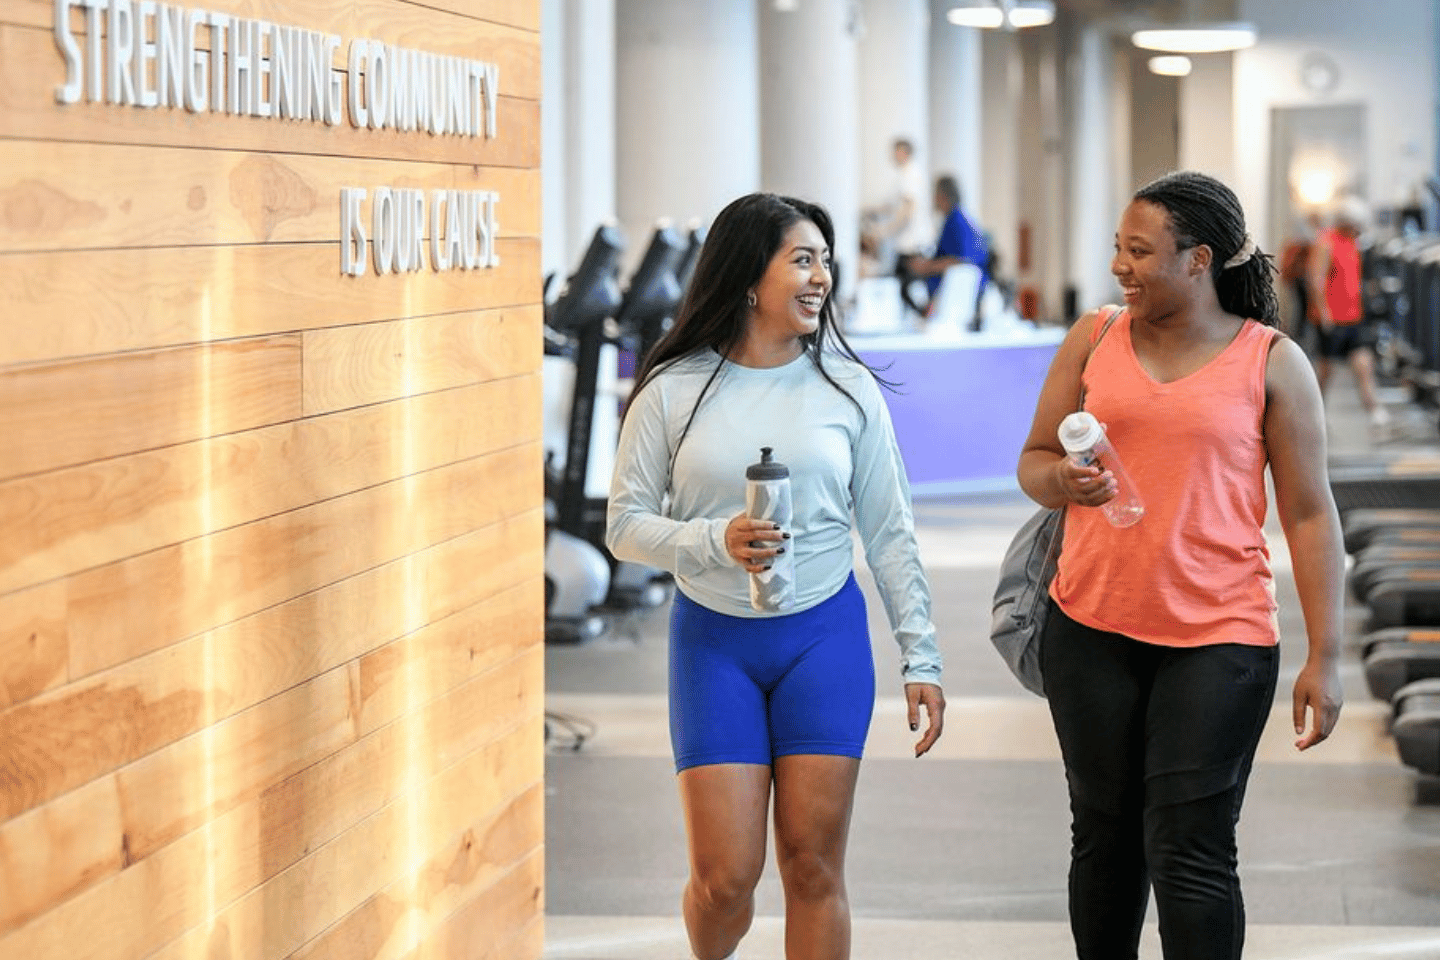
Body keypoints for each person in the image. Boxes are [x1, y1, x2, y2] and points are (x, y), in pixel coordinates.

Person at [606, 192, 945, 960]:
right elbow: (623, 527)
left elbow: (890, 533)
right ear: (748, 275)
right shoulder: (672, 390)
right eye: (802, 258)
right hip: (713, 643)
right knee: (726, 882)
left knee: (814, 866)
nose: (821, 275)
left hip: (821, 638)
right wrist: (712, 540)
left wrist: (920, 655)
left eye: (825, 259)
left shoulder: (849, 389)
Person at [1016, 171, 1345, 960]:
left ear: (1198, 260)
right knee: (1104, 837)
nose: (1119, 267)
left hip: (1220, 637)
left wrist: (1325, 657)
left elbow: (1307, 512)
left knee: (1190, 849)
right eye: (1117, 249)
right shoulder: (1094, 337)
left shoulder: (1273, 361)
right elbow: (1033, 462)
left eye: (1139, 251)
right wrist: (1063, 480)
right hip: (1090, 625)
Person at [1307, 195, 1391, 437]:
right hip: (1332, 319)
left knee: (1364, 364)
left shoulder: (1353, 243)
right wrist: (1324, 313)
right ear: (1347, 221)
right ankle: (1313, 415)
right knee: (1325, 371)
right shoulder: (1326, 242)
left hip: (1354, 317)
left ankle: (1375, 412)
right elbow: (1316, 278)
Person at [897, 174, 991, 322]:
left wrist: (926, 267)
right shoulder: (959, 220)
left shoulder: (957, 222)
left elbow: (960, 260)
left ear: (942, 196)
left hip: (955, 298)